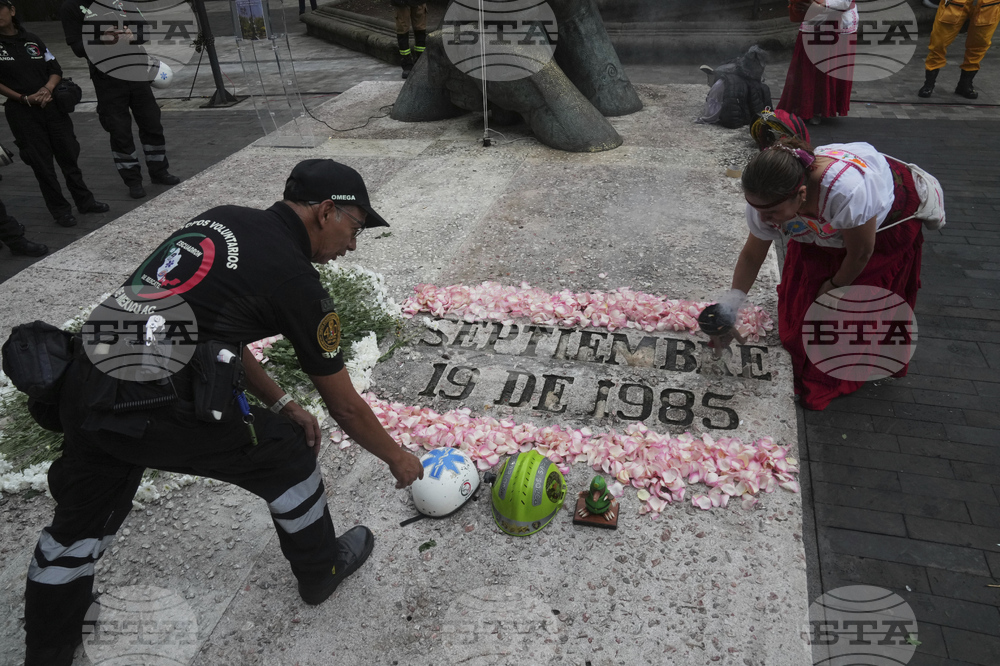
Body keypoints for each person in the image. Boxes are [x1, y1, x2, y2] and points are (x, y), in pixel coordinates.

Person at [21, 159, 425, 666]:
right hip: (150, 400)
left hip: (87, 378)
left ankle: (48, 647)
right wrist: (397, 458)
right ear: (326, 212)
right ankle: (321, 571)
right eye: (355, 227)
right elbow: (343, 403)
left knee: (80, 519)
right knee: (284, 455)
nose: (352, 245)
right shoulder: (296, 281)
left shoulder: (222, 218)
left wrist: (282, 402)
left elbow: (217, 326)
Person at [717, 137, 925, 410]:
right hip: (825, 220)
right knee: (805, 305)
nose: (765, 220)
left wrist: (836, 284)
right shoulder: (766, 201)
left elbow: (861, 253)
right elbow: (752, 254)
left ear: (801, 195)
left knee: (839, 312)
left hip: (880, 228)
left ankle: (842, 371)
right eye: (759, 211)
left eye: (772, 214)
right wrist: (729, 309)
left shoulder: (847, 193)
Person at [0, 0, 108, 228]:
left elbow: (55, 68)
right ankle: (60, 210)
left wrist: (47, 89)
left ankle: (85, 201)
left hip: (51, 107)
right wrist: (23, 98)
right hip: (22, 112)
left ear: (11, 10)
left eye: (0, 9)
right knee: (42, 165)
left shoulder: (32, 39)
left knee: (69, 155)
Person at [59, 0, 181, 200]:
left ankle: (159, 172)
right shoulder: (71, 6)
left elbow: (145, 32)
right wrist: (102, 40)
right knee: (119, 132)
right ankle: (133, 181)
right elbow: (78, 48)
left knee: (152, 124)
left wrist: (134, 36)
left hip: (137, 73)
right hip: (107, 79)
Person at [778, 0, 858, 125]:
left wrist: (822, 6)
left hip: (837, 20)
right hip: (814, 20)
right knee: (808, 70)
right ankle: (806, 108)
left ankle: (819, 109)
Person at [917, 0, 999, 99]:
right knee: (939, 42)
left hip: (989, 5)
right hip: (955, 3)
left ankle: (965, 85)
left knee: (979, 44)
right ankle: (929, 84)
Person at [391, 0, 427, 79]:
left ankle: (420, 61)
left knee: (420, 29)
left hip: (419, 3)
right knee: (402, 30)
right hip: (402, 3)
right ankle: (407, 64)